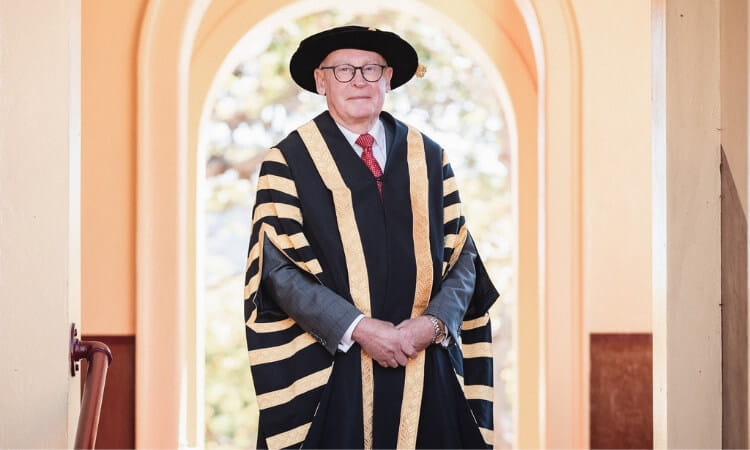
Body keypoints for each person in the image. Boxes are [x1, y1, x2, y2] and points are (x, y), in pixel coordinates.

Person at [243, 25, 499, 449]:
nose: (359, 80)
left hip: (425, 364)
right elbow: (278, 272)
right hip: (332, 373)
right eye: (343, 70)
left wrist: (432, 325)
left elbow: (463, 260)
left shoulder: (430, 157)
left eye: (371, 69)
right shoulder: (287, 160)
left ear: (388, 79)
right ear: (321, 81)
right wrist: (358, 328)